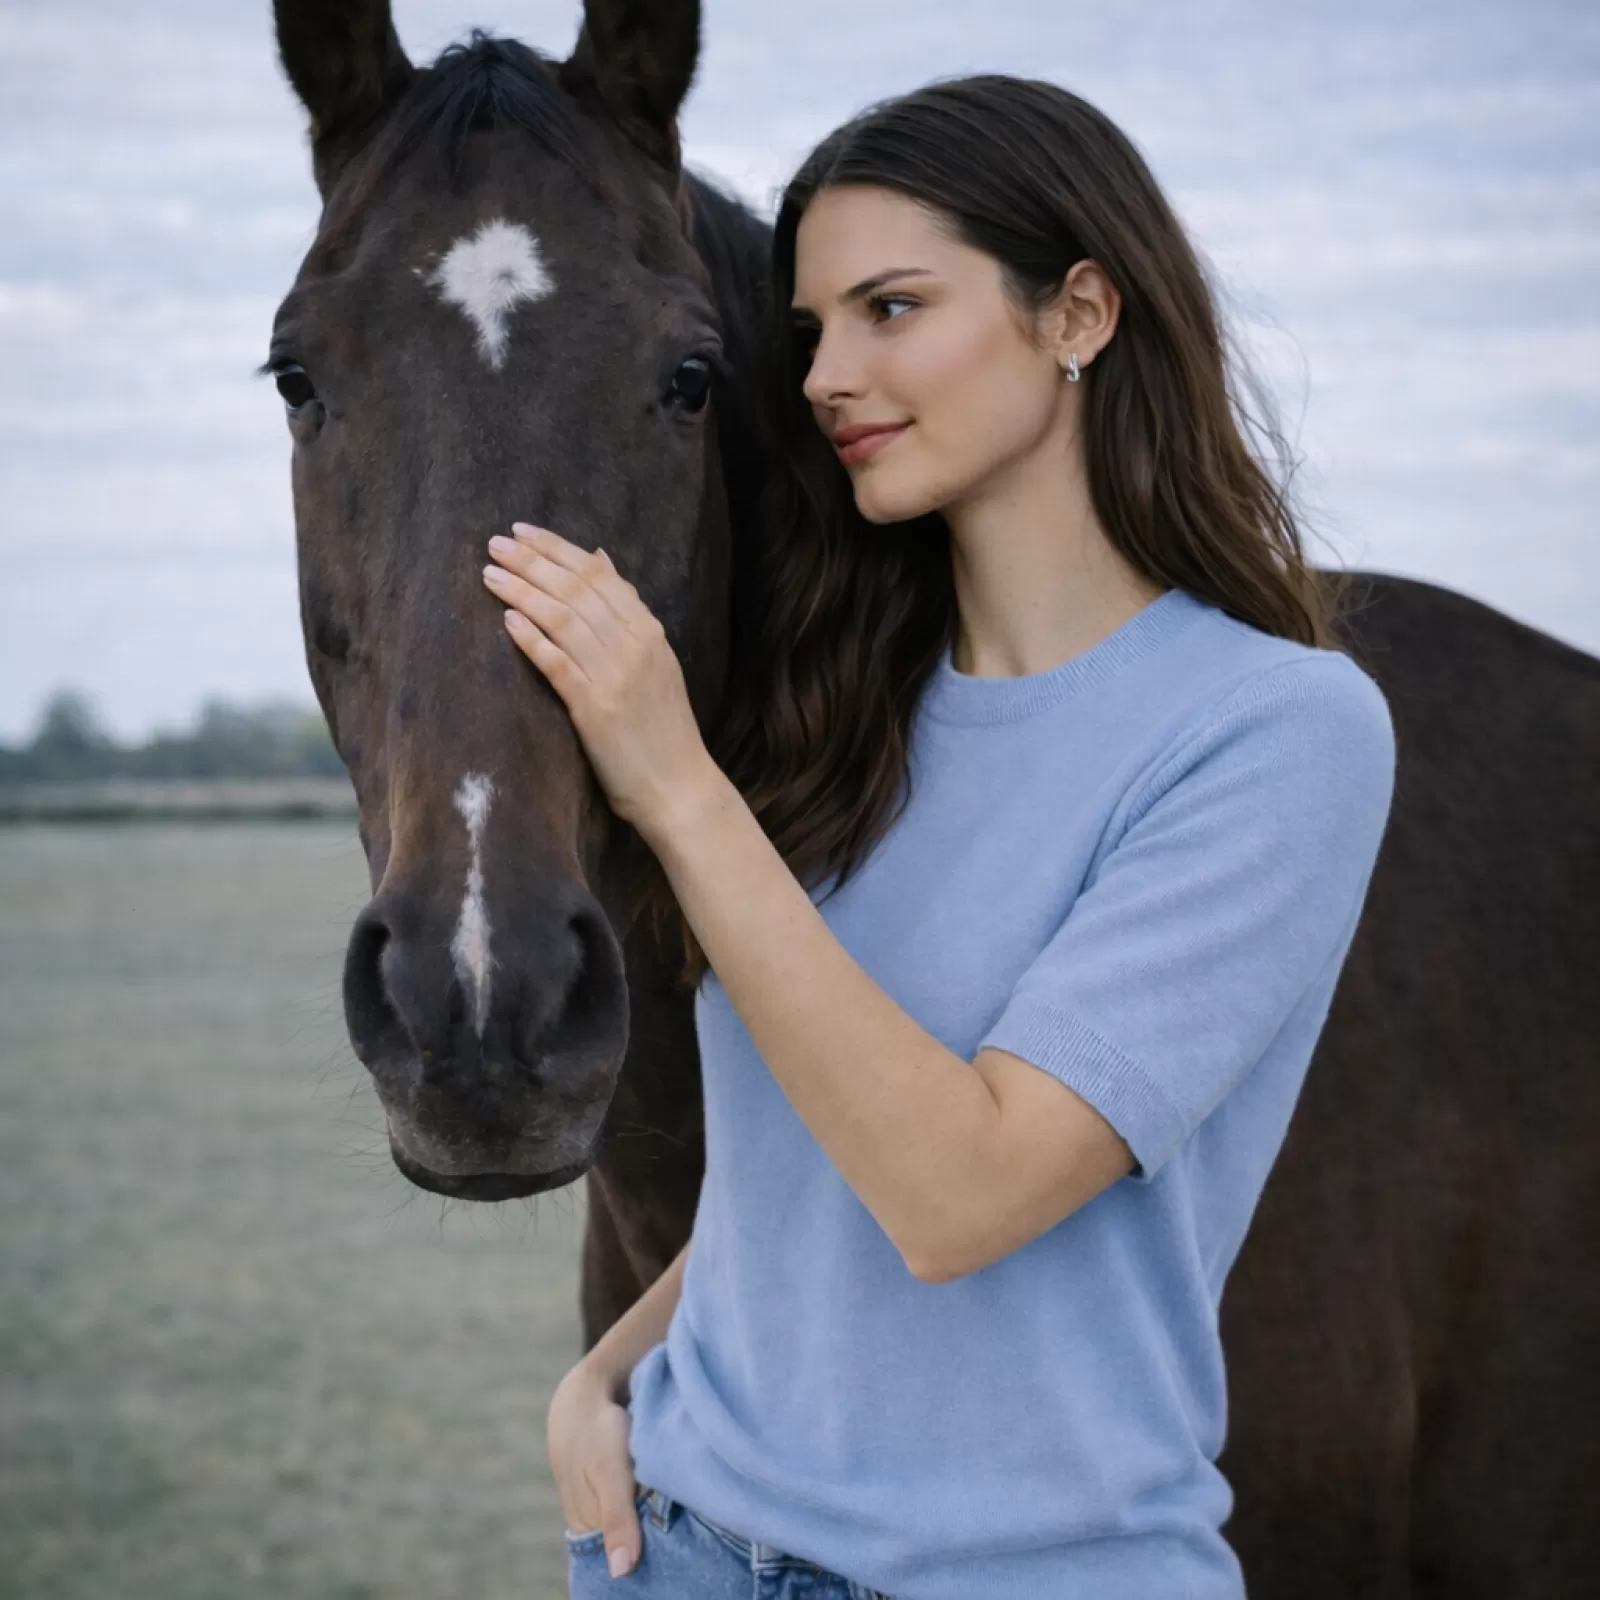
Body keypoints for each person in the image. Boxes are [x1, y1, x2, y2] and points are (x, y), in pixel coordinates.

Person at [502, 72, 1396, 1600]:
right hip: (680, 1552)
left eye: (891, 308)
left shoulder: (1275, 731)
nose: (830, 374)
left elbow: (958, 1195)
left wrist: (673, 780)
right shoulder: (842, 711)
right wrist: (604, 1375)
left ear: (1080, 316)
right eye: (809, 333)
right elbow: (803, 1165)